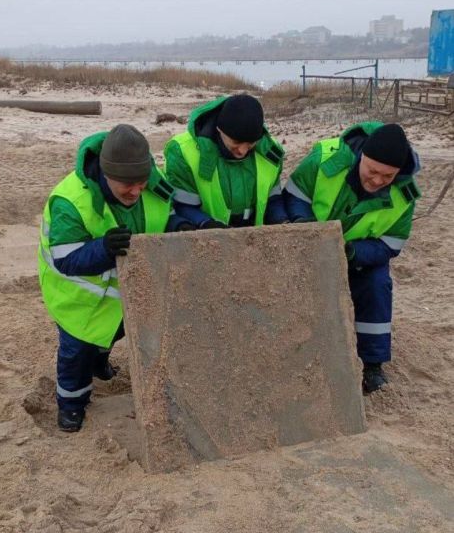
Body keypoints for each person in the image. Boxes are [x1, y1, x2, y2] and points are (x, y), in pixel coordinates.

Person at [38, 124, 195, 432]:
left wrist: (180, 227)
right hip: (79, 301)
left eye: (141, 182)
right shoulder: (70, 200)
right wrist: (103, 248)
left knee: (115, 334)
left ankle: (100, 361)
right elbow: (66, 259)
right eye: (127, 184)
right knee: (76, 355)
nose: (137, 191)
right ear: (106, 173)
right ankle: (71, 404)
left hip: (127, 293)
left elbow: (167, 215)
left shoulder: (152, 184)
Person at [283, 122, 421, 393]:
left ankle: (372, 364)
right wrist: (307, 227)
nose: (378, 180)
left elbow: (390, 244)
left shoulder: (405, 195)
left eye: (388, 176)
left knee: (377, 285)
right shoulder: (325, 160)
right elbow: (293, 197)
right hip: (307, 248)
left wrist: (351, 252)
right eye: (373, 171)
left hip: (357, 258)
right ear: (362, 157)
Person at [164, 94, 287, 229]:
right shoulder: (182, 151)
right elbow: (181, 205)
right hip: (206, 237)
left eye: (251, 144)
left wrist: (281, 221)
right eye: (236, 142)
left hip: (254, 238)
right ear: (219, 130)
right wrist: (206, 224)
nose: (242, 151)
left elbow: (274, 199)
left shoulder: (271, 152)